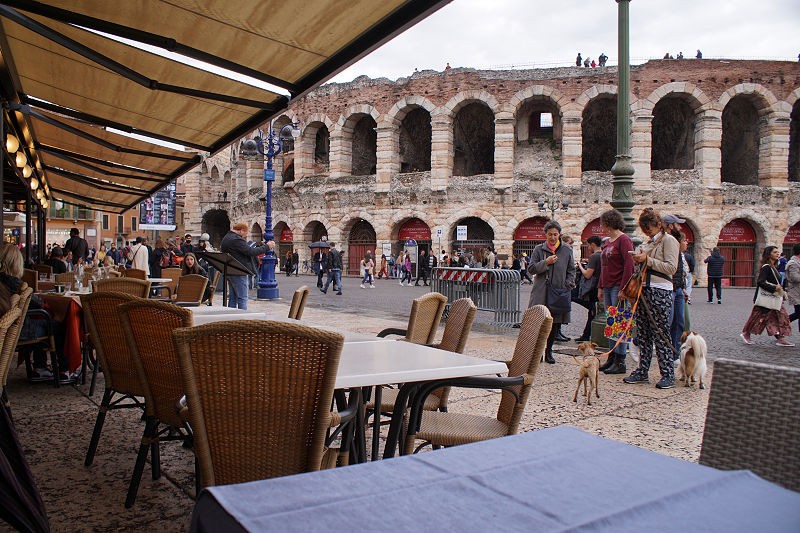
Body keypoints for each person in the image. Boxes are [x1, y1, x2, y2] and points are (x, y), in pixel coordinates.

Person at [623, 208, 679, 389]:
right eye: (644, 229)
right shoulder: (649, 242)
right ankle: (642, 371)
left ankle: (667, 374)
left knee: (660, 333)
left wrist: (647, 260)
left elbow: (671, 268)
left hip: (660, 291)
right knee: (643, 333)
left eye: (649, 228)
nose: (647, 232)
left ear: (658, 225)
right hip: (644, 290)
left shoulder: (669, 241)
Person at [0, 244, 70, 383]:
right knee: (57, 325)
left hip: (8, 326)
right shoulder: (15, 283)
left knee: (43, 321)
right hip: (17, 329)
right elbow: (37, 303)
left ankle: (41, 366)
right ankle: (64, 369)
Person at [527, 219, 575, 364]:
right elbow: (531, 269)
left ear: (559, 234)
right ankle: (538, 352)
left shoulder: (566, 250)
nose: (553, 237)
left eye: (555, 234)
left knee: (555, 323)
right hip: (541, 292)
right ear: (545, 235)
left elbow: (571, 270)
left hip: (559, 292)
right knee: (539, 322)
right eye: (550, 234)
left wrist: (567, 284)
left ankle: (549, 351)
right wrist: (545, 263)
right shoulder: (539, 249)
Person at [740, 246, 794, 347]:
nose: (777, 254)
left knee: (779, 317)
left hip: (774, 298)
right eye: (775, 252)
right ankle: (746, 333)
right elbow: (760, 282)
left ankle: (780, 338)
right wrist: (774, 288)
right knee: (758, 318)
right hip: (766, 298)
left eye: (778, 252)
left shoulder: (773, 267)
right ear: (769, 254)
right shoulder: (766, 267)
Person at [220, 222, 271, 309]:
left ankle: (231, 314)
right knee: (242, 297)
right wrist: (267, 247)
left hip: (229, 270)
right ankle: (242, 315)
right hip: (239, 271)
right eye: (245, 233)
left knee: (233, 297)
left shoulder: (226, 237)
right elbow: (251, 251)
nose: (244, 236)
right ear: (241, 230)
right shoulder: (236, 240)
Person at [661, 214, 688, 359]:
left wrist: (682, 286)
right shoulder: (666, 241)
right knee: (667, 322)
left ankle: (675, 353)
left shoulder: (675, 241)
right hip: (669, 287)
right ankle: (638, 342)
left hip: (678, 288)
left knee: (679, 322)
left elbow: (680, 267)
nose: (680, 227)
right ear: (671, 226)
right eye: (677, 224)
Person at [575, 235, 602, 342]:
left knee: (592, 310)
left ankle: (586, 335)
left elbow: (587, 274)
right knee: (592, 312)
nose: (588, 248)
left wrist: (580, 266)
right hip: (599, 286)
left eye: (588, 245)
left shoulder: (594, 257)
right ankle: (586, 335)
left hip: (592, 288)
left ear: (593, 245)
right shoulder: (603, 254)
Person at [786, 243, 800, 332]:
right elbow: (795, 278)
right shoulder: (793, 263)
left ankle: (781, 325)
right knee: (798, 313)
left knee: (798, 314)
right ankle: (781, 324)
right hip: (796, 293)